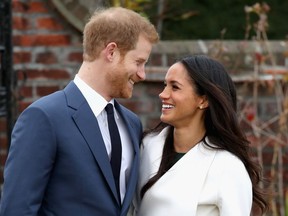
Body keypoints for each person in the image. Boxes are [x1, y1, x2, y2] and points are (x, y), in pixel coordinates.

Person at [0, 7, 159, 216]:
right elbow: (17, 210)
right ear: (111, 52)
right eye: (138, 62)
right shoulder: (44, 117)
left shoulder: (131, 123)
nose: (142, 74)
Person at [133, 55, 269, 215]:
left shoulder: (228, 167)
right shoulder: (147, 146)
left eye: (175, 87)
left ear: (203, 100)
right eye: (165, 85)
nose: (163, 94)